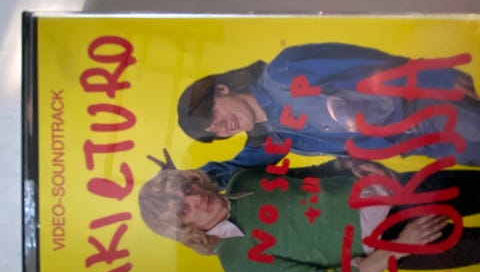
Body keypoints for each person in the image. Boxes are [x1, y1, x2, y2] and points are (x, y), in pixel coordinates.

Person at [138, 154, 480, 272]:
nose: (196, 199)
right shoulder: (238, 264)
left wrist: (350, 164)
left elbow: (318, 173)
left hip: (398, 189)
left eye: (187, 188)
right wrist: (400, 246)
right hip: (396, 243)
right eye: (184, 208)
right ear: (183, 227)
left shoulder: (245, 178)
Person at [177, 43, 480, 188]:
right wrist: (182, 184)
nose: (221, 127)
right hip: (428, 146)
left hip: (428, 109)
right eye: (213, 132)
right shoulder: (270, 140)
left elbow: (362, 62)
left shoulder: (283, 72)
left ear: (222, 90)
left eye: (213, 114)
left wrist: (433, 75)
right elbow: (229, 172)